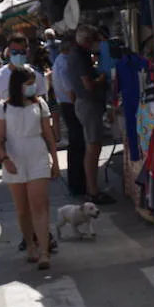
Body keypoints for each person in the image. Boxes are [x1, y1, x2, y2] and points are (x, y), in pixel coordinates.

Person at [0, 65, 60, 270]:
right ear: (17, 85)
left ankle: (45, 252)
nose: (32, 88)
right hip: (14, 156)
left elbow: (49, 135)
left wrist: (55, 161)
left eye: (33, 84)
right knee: (22, 208)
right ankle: (30, 244)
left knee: (39, 204)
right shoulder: (2, 107)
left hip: (37, 154)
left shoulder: (40, 105)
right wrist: (5, 159)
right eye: (28, 84)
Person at [72, 24, 114, 205]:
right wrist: (102, 78)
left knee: (93, 146)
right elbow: (88, 84)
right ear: (88, 41)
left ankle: (92, 188)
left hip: (86, 103)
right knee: (93, 147)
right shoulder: (80, 56)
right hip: (88, 104)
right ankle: (93, 191)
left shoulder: (78, 54)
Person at [52, 36, 87, 197]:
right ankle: (78, 183)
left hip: (67, 105)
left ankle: (78, 182)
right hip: (70, 106)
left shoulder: (60, 60)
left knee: (76, 145)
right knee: (78, 145)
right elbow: (70, 90)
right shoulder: (64, 63)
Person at [0, 35, 46, 124]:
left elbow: (43, 109)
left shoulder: (36, 76)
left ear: (27, 51)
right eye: (15, 52)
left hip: (34, 130)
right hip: (8, 132)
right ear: (8, 51)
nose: (19, 55)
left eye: (22, 51)